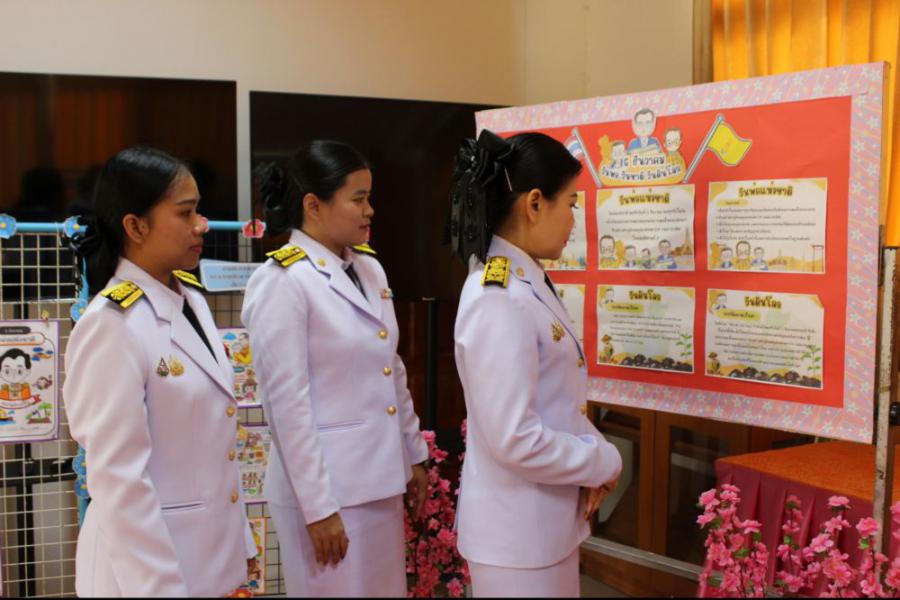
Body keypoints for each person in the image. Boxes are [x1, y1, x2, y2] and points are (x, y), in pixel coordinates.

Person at [63, 147, 257, 597]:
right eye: (185, 213)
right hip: (144, 574)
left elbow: (213, 451)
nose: (202, 224)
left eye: (199, 210)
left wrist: (239, 543)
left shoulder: (191, 300)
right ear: (136, 226)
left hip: (205, 557)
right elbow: (120, 481)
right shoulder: (112, 324)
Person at [242, 141, 429, 597]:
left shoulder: (369, 270)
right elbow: (287, 405)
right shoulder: (283, 281)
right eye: (358, 198)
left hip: (379, 481)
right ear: (314, 205)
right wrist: (318, 507)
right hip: (327, 492)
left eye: (370, 197)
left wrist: (413, 454)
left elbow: (391, 369)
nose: (370, 210)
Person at [448, 130, 622, 597]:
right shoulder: (498, 296)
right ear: (535, 203)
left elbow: (556, 402)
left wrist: (593, 455)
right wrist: (601, 460)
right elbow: (515, 438)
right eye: (571, 204)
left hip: (541, 526)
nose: (574, 220)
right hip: (516, 537)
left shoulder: (525, 280)